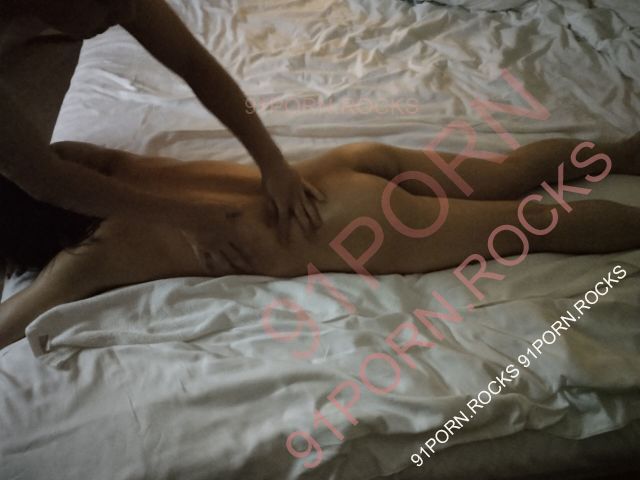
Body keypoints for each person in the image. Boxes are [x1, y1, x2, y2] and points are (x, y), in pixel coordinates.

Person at [1, 133, 639, 349]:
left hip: (344, 224)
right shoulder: (100, 163)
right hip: (333, 170)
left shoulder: (85, 261)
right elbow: (43, 162)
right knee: (507, 176)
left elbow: (10, 324)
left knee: (534, 225)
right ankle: (622, 152)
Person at [0, 0, 323, 272]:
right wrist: (186, 217)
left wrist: (272, 162)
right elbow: (45, 177)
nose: (127, 15)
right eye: (108, 4)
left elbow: (194, 63)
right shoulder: (87, 260)